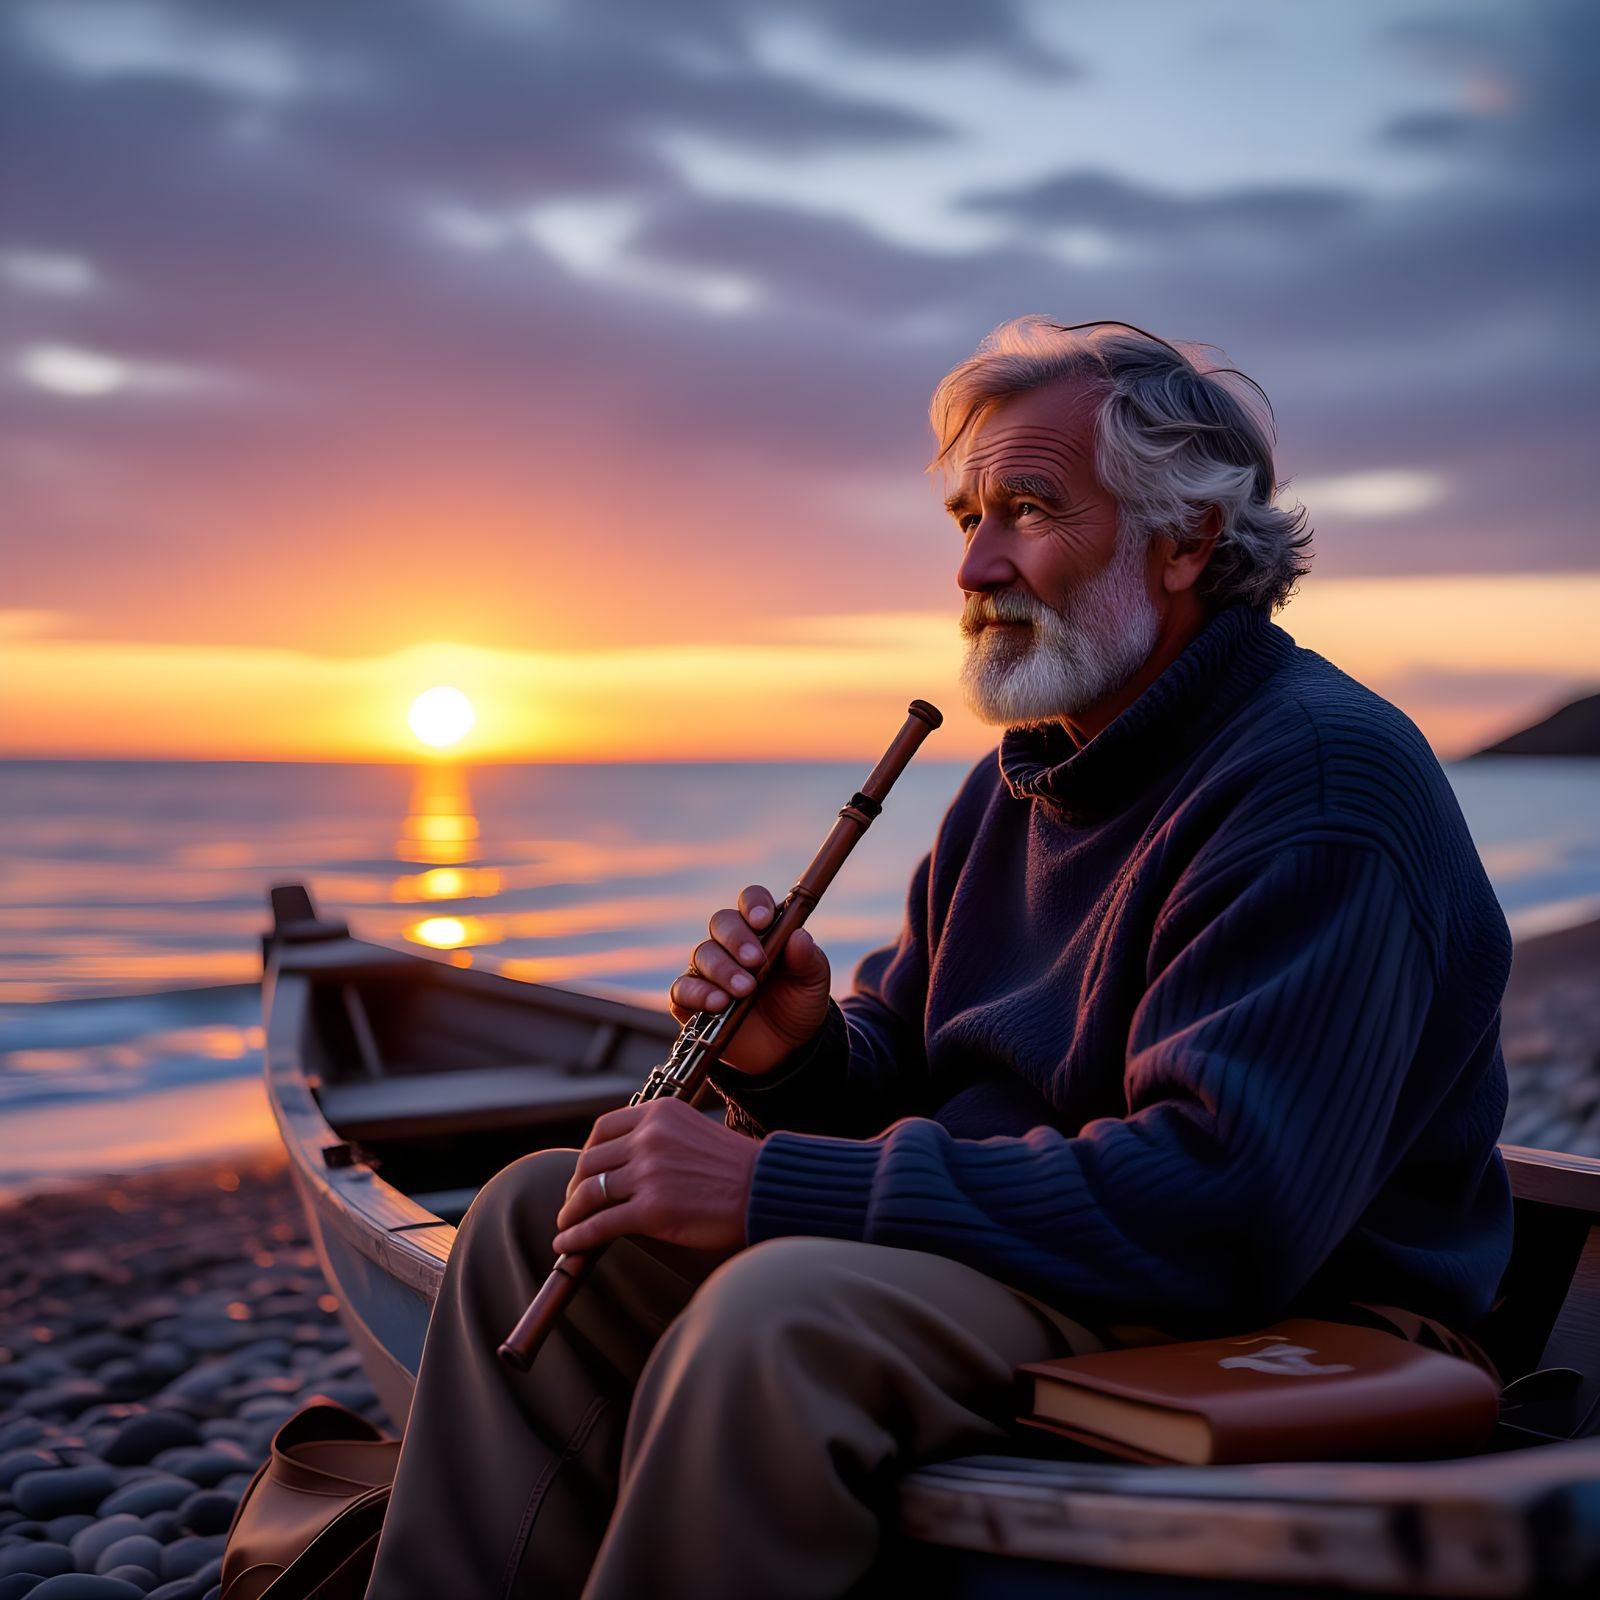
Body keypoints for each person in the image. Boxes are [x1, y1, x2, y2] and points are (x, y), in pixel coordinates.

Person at [363, 318, 1513, 1600]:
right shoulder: (1023, 778)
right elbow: (913, 1069)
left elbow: (1226, 1209)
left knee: (778, 1316)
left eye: (1030, 509)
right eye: (967, 517)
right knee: (536, 1214)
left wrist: (766, 1183)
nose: (974, 564)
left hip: (1277, 1317)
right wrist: (798, 1058)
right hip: (1046, 1259)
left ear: (1187, 539)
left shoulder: (1318, 782)